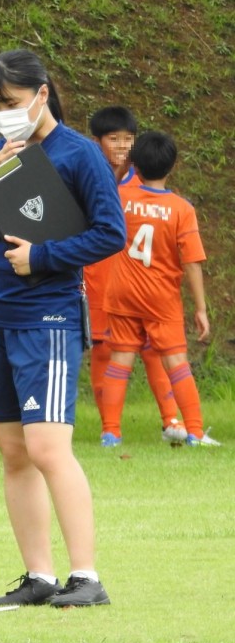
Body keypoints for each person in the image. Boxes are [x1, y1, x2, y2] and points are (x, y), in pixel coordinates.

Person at [0, 49, 126, 607]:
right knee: (12, 451)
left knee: (48, 447)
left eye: (11, 104)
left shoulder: (80, 155)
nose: (4, 115)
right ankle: (40, 577)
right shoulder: (0, 151)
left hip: (47, 316)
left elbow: (110, 233)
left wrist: (46, 255)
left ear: (42, 95)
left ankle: (87, 577)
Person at [100, 131, 219, 447]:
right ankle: (194, 431)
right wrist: (201, 309)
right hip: (161, 299)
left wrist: (120, 168)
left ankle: (110, 432)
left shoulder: (120, 199)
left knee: (120, 360)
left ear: (134, 165)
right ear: (173, 166)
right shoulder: (181, 209)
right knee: (176, 362)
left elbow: (100, 200)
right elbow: (192, 262)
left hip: (122, 292)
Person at [84, 107, 185, 446]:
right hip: (98, 279)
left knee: (155, 349)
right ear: (96, 142)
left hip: (141, 281)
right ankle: (108, 426)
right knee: (102, 350)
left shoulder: (143, 183)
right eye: (114, 139)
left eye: (128, 139)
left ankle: (171, 419)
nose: (122, 146)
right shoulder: (85, 176)